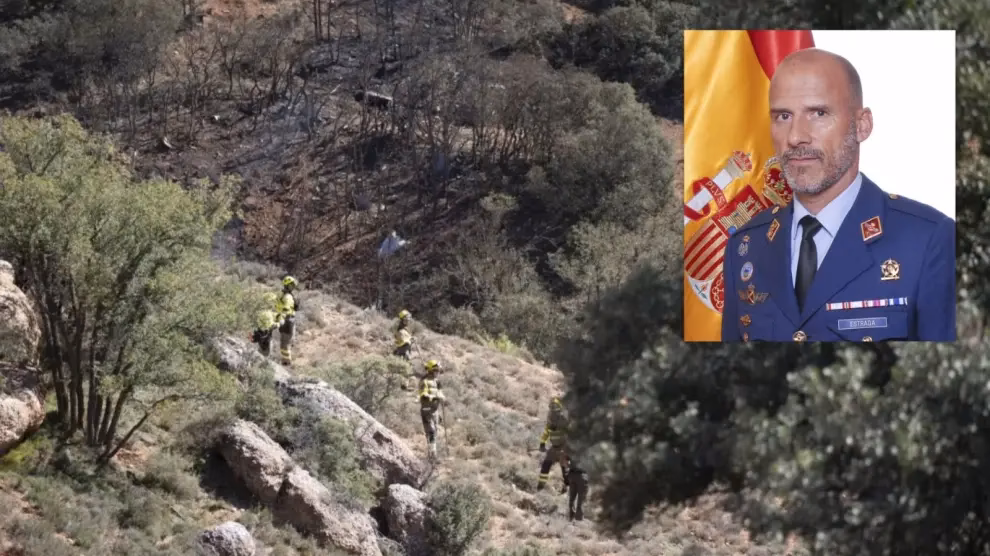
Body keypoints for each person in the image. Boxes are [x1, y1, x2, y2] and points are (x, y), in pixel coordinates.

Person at [721, 48, 956, 342]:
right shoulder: (744, 246)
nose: (795, 136)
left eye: (818, 113)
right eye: (783, 116)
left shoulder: (928, 240)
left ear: (862, 125)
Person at [536, 396, 570, 493]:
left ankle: (567, 489)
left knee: (565, 469)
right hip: (554, 447)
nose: (553, 409)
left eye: (555, 407)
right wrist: (542, 442)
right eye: (552, 407)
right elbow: (547, 431)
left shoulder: (564, 417)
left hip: (563, 447)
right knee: (546, 465)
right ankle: (540, 487)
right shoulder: (551, 419)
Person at [418, 359, 446, 460]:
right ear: (431, 370)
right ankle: (432, 456)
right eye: (436, 370)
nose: (437, 372)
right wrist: (435, 397)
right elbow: (423, 395)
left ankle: (432, 455)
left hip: (435, 411)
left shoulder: (437, 382)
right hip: (427, 409)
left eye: (438, 371)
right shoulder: (424, 381)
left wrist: (442, 397)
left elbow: (440, 392)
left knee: (435, 433)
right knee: (431, 431)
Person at [275, 276, 299, 365]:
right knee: (284, 342)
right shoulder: (284, 295)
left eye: (292, 285)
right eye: (291, 285)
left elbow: (286, 308)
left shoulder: (287, 296)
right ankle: (285, 361)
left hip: (287, 320)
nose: (292, 287)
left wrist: (281, 318)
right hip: (288, 320)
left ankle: (287, 362)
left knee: (284, 343)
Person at [565, 456, 589, 521]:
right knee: (581, 500)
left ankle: (571, 517)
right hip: (582, 476)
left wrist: (570, 467)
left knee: (572, 498)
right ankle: (578, 520)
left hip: (572, 475)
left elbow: (565, 461)